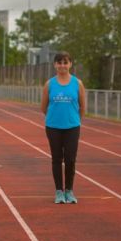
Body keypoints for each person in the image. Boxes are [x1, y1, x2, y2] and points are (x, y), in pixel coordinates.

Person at [41, 51, 86, 204]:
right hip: (53, 126)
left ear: (70, 64)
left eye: (65, 62)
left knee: (70, 159)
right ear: (55, 65)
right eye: (59, 62)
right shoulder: (49, 84)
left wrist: (74, 120)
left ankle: (69, 191)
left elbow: (82, 106)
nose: (62, 65)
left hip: (72, 127)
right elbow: (43, 107)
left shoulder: (77, 83)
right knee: (56, 159)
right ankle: (59, 192)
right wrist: (55, 117)